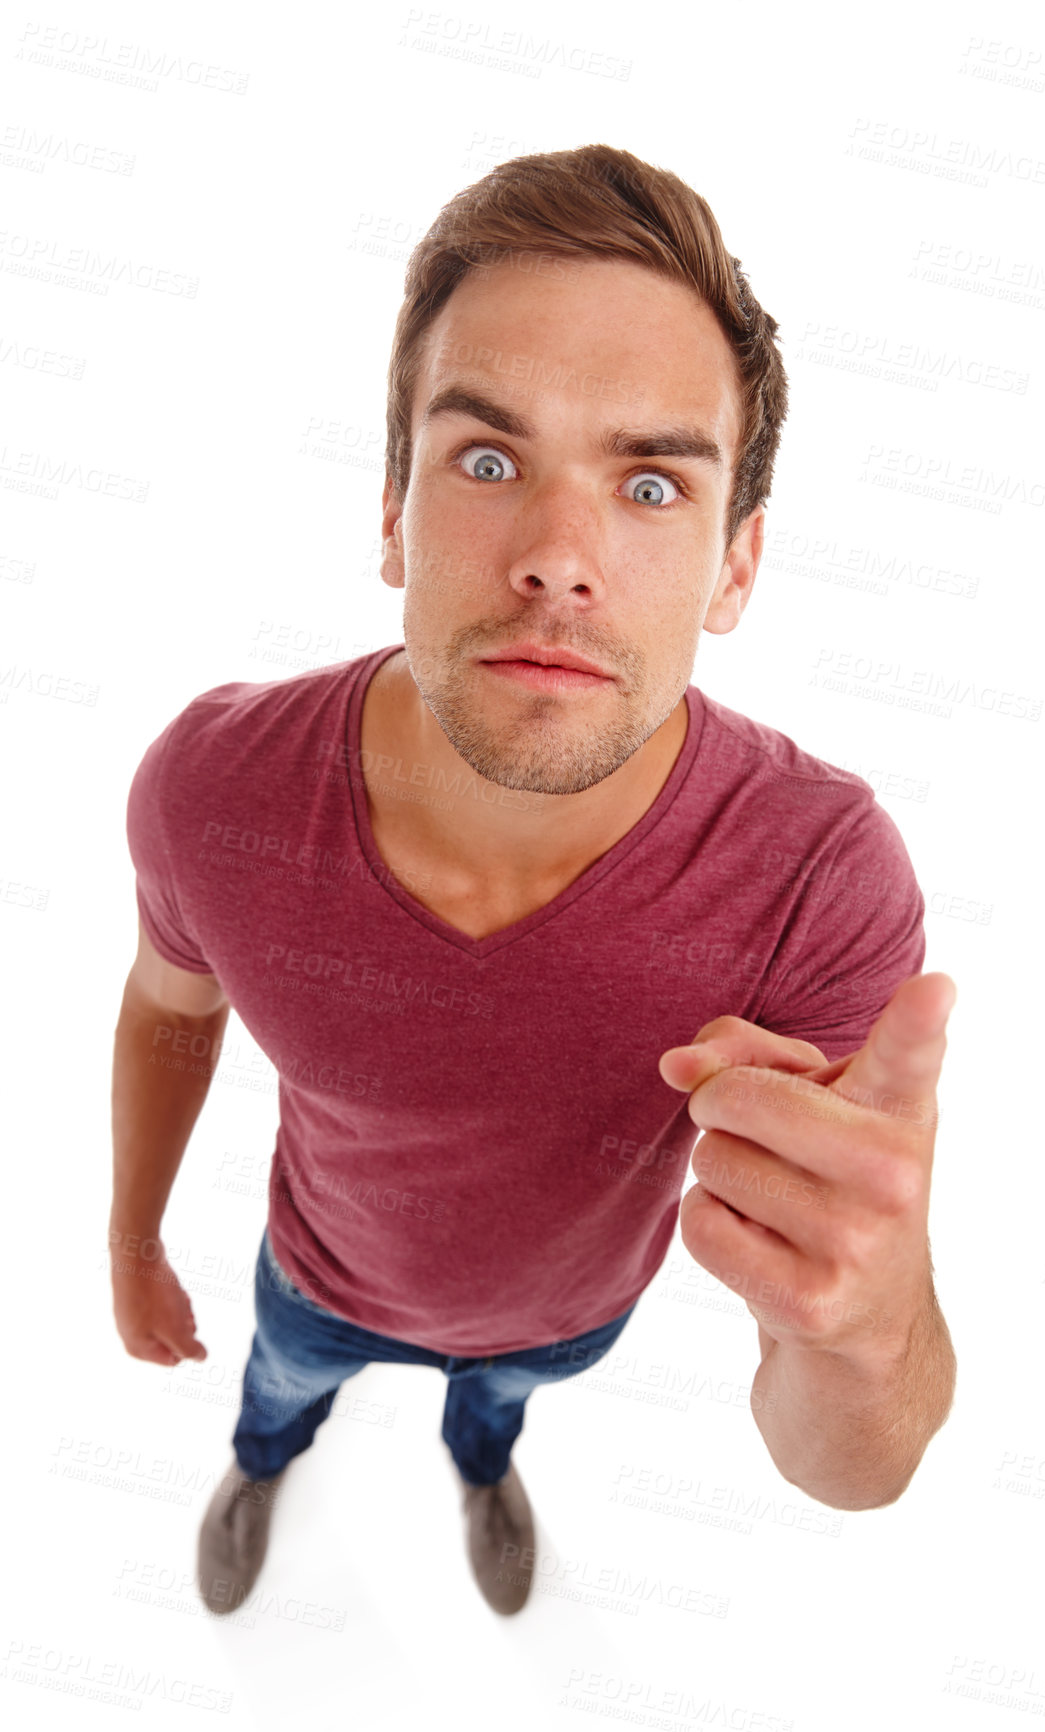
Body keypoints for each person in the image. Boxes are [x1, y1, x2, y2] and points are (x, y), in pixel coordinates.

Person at [110, 143, 956, 1622]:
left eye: (647, 482)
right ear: (393, 510)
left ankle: (481, 1463)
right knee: (275, 1394)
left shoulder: (818, 880)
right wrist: (131, 1236)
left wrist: (873, 1333)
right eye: (489, 460)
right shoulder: (216, 783)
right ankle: (259, 1464)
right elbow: (168, 1005)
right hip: (312, 1279)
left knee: (495, 1410)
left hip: (566, 1321)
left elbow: (850, 1471)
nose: (560, 561)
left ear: (733, 567)